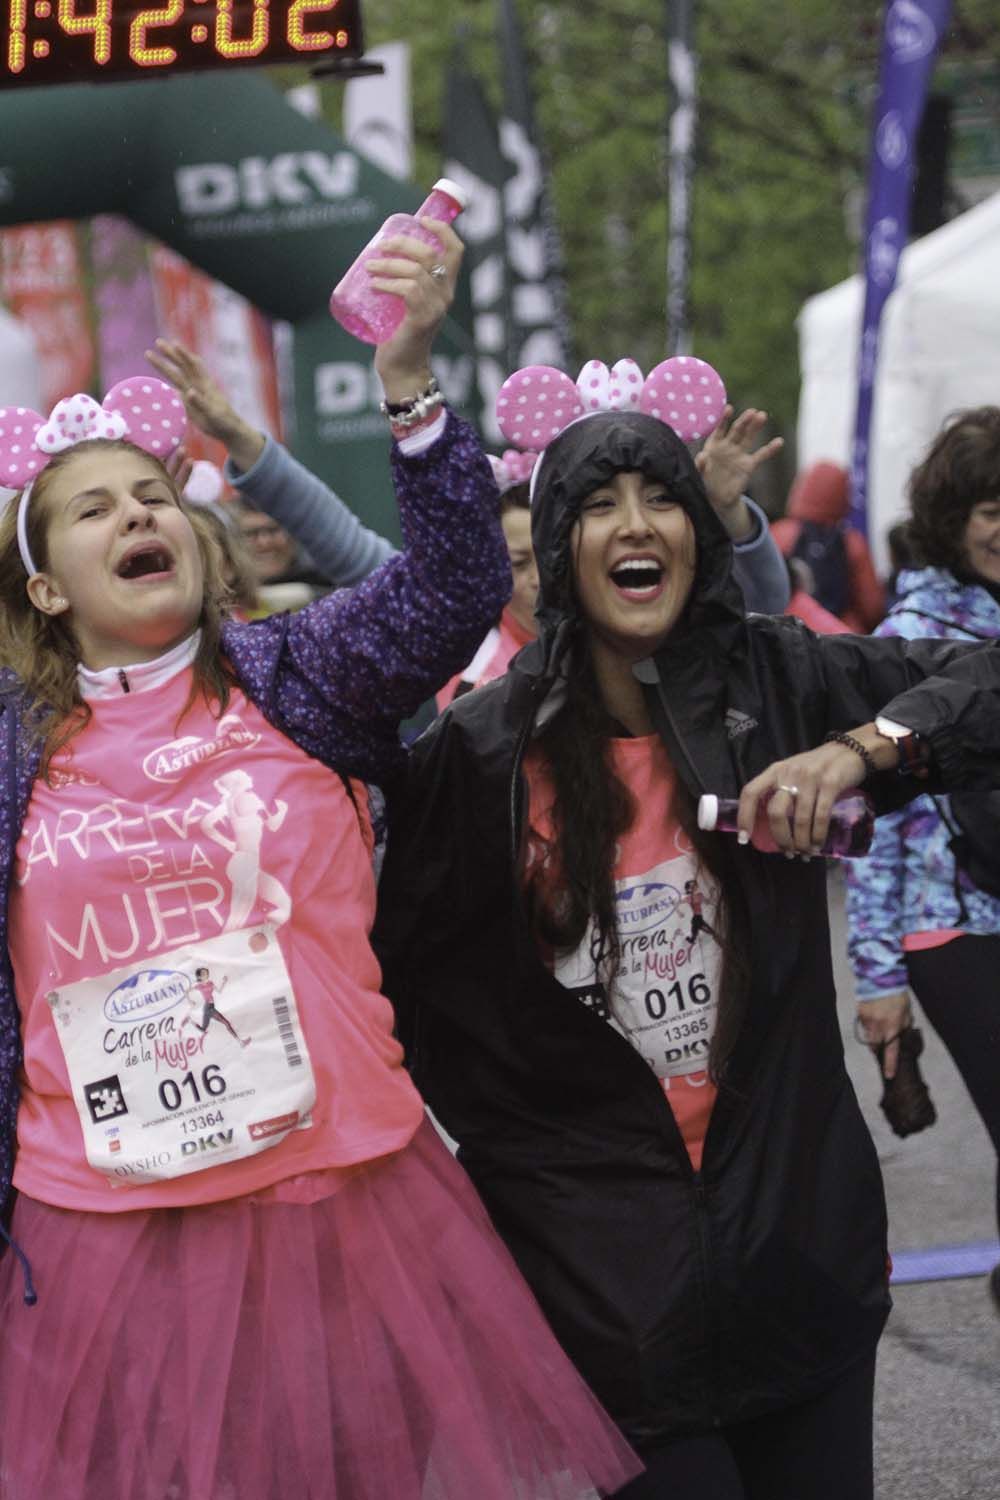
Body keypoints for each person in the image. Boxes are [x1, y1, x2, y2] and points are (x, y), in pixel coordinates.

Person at [0, 226, 638, 1499]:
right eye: (92, 507)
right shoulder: (9, 747)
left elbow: (457, 585)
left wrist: (407, 379)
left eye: (153, 494)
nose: (137, 513)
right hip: (103, 1223)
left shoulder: (296, 676)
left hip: (338, 1195)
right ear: (48, 588)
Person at [372, 387, 1000, 1499]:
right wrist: (540, 1188)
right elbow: (416, 1003)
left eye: (660, 498)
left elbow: (982, 684)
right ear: (558, 550)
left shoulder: (777, 680)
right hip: (606, 1293)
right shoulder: (477, 754)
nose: (634, 525)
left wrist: (863, 748)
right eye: (598, 505)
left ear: (694, 535)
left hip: (798, 1252)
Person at [845, 407, 1000, 1310]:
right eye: (990, 506)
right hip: (952, 928)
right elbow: (877, 822)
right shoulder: (915, 628)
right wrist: (877, 981)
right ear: (951, 515)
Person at [771, 459, 885, 631]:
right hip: (841, 639)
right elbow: (872, 607)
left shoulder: (777, 534)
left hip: (787, 636)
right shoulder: (852, 543)